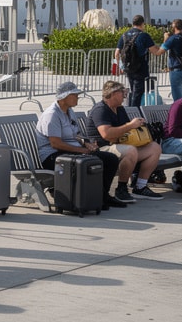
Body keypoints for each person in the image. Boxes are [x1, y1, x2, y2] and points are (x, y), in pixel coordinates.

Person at [34, 81, 133, 210]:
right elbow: (55, 143)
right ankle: (98, 197)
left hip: (70, 152)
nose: (78, 97)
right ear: (65, 97)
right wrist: (81, 150)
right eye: (75, 95)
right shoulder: (52, 115)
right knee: (94, 160)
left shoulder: (69, 111)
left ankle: (102, 196)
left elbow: (76, 134)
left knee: (110, 159)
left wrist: (87, 143)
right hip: (53, 157)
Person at [85, 80, 164, 202]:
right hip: (102, 148)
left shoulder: (119, 109)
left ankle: (140, 187)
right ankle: (121, 189)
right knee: (130, 151)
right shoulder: (100, 110)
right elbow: (106, 134)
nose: (124, 95)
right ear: (114, 94)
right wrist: (130, 125)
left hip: (118, 144)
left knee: (154, 148)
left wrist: (137, 126)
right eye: (122, 92)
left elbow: (123, 131)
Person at [116, 15, 163, 107]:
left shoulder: (125, 35)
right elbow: (155, 51)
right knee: (137, 94)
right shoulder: (144, 36)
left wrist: (120, 66)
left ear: (133, 23)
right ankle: (133, 113)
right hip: (141, 68)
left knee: (133, 90)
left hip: (129, 68)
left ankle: (132, 110)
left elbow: (117, 53)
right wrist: (165, 44)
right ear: (142, 24)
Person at [160, 19, 182, 103]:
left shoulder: (173, 38)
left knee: (178, 101)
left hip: (177, 71)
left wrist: (165, 38)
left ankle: (180, 114)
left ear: (174, 27)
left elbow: (160, 51)